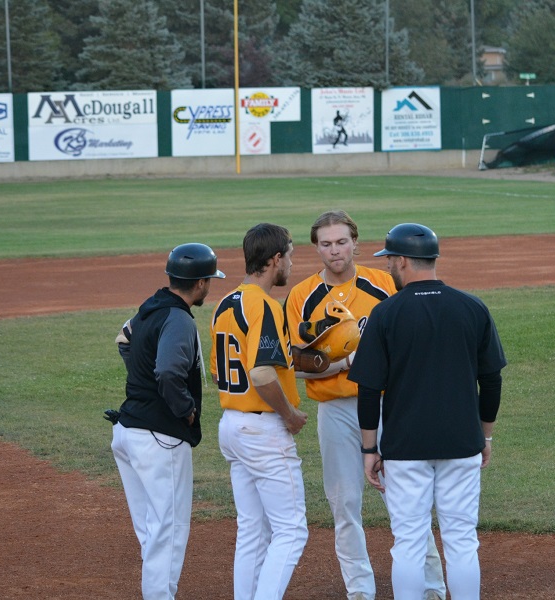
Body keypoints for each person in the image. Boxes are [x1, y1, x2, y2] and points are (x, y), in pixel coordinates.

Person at [284, 210, 446, 600]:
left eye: (342, 242)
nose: (334, 250)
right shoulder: (302, 295)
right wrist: (344, 363)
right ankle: (360, 591)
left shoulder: (385, 282)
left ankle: (431, 587)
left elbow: (413, 338)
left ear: (355, 242)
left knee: (406, 498)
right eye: (326, 243)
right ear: (316, 247)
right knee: (345, 504)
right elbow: (295, 363)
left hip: (390, 406)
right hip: (336, 410)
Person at [348, 223, 507, 600]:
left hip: (405, 449)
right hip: (462, 443)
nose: (388, 267)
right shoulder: (472, 307)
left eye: (389, 260)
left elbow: (368, 390)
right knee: (462, 542)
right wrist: (485, 437)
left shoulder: (386, 313)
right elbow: (493, 381)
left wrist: (369, 450)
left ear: (402, 260)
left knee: (408, 543)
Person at [110, 242, 226, 600]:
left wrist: (142, 380)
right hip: (158, 440)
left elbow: (123, 340)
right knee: (169, 529)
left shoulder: (150, 307)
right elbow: (168, 372)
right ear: (202, 283)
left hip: (127, 433)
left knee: (152, 529)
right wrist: (185, 409)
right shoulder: (178, 319)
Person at [209, 223, 309, 600]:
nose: (292, 264)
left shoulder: (227, 302)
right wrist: (288, 414)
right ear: (275, 259)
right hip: (262, 429)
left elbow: (223, 370)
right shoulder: (265, 305)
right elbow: (262, 372)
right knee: (291, 530)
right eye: (291, 255)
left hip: (232, 425)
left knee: (252, 528)